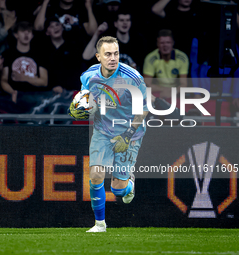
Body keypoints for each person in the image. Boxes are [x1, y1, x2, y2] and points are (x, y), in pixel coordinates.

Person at [69, 36, 148, 232]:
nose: (113, 58)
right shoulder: (88, 76)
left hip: (130, 131)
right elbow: (87, 101)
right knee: (95, 175)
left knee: (118, 190)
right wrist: (81, 107)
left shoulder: (133, 77)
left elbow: (143, 111)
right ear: (98, 57)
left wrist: (127, 136)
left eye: (116, 54)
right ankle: (100, 225)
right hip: (103, 130)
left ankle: (129, 182)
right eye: (108, 54)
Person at [83, 10, 147, 73]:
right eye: (121, 20)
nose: (125, 23)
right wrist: (97, 33)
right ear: (115, 24)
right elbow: (86, 56)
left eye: (127, 20)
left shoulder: (138, 42)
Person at [1, 21, 48, 103]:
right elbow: (3, 80)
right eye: (23, 31)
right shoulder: (8, 54)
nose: (26, 34)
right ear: (16, 35)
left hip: (35, 98)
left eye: (29, 32)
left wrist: (24, 78)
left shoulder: (39, 55)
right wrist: (12, 92)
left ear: (32, 35)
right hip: (13, 98)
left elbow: (44, 81)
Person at [143, 29, 188, 99]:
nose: (165, 45)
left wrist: (173, 92)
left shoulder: (182, 57)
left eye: (168, 42)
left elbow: (184, 84)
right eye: (162, 43)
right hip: (157, 92)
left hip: (177, 93)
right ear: (157, 44)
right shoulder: (151, 58)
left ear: (173, 43)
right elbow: (146, 84)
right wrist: (164, 90)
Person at [44, 16, 84, 93]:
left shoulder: (73, 47)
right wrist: (53, 87)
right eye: (51, 26)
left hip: (71, 92)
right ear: (47, 32)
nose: (56, 28)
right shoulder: (44, 50)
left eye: (57, 25)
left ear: (62, 27)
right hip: (49, 93)